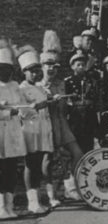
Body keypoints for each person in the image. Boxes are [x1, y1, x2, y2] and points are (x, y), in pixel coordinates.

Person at [37, 31, 83, 202]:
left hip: (61, 123)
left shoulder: (62, 84)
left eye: (55, 66)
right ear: (42, 66)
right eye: (48, 65)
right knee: (48, 160)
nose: (51, 69)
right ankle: (51, 194)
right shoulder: (38, 85)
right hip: (46, 124)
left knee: (77, 153)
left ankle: (70, 187)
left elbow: (65, 107)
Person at [17, 48, 53, 214]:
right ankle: (32, 202)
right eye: (30, 71)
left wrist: (51, 100)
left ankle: (37, 200)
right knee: (31, 165)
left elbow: (45, 102)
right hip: (29, 131)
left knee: (38, 165)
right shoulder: (21, 89)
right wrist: (39, 106)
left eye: (36, 70)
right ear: (24, 72)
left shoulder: (39, 87)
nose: (34, 74)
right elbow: (23, 111)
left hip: (42, 131)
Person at [0, 40, 27, 219]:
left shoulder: (15, 86)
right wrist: (10, 111)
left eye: (9, 68)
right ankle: (1, 207)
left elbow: (24, 107)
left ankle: (10, 207)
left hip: (13, 134)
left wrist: (26, 111)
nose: (6, 72)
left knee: (11, 169)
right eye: (2, 68)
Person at [65, 50, 100, 153]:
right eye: (78, 65)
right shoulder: (68, 81)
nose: (81, 67)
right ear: (72, 66)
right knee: (77, 141)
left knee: (89, 143)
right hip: (76, 116)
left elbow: (96, 99)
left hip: (89, 115)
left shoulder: (91, 81)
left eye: (83, 65)